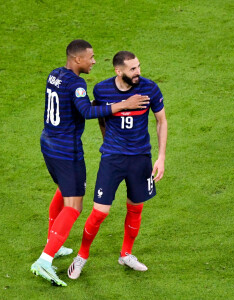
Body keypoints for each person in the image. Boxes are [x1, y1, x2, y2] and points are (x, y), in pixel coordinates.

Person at [31, 41, 150, 286]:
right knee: (74, 206)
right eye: (91, 58)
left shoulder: (54, 75)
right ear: (77, 60)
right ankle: (44, 260)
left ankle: (53, 242)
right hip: (66, 150)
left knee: (63, 191)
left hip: (48, 143)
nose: (94, 61)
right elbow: (87, 112)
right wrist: (123, 105)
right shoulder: (77, 84)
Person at [67, 51, 168, 279]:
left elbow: (161, 120)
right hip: (112, 159)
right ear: (118, 71)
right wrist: (107, 140)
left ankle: (126, 254)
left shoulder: (150, 88)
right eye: (132, 69)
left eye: (138, 66)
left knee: (136, 208)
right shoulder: (102, 90)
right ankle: (81, 256)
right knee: (100, 212)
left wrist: (161, 157)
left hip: (141, 159)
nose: (138, 72)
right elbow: (100, 116)